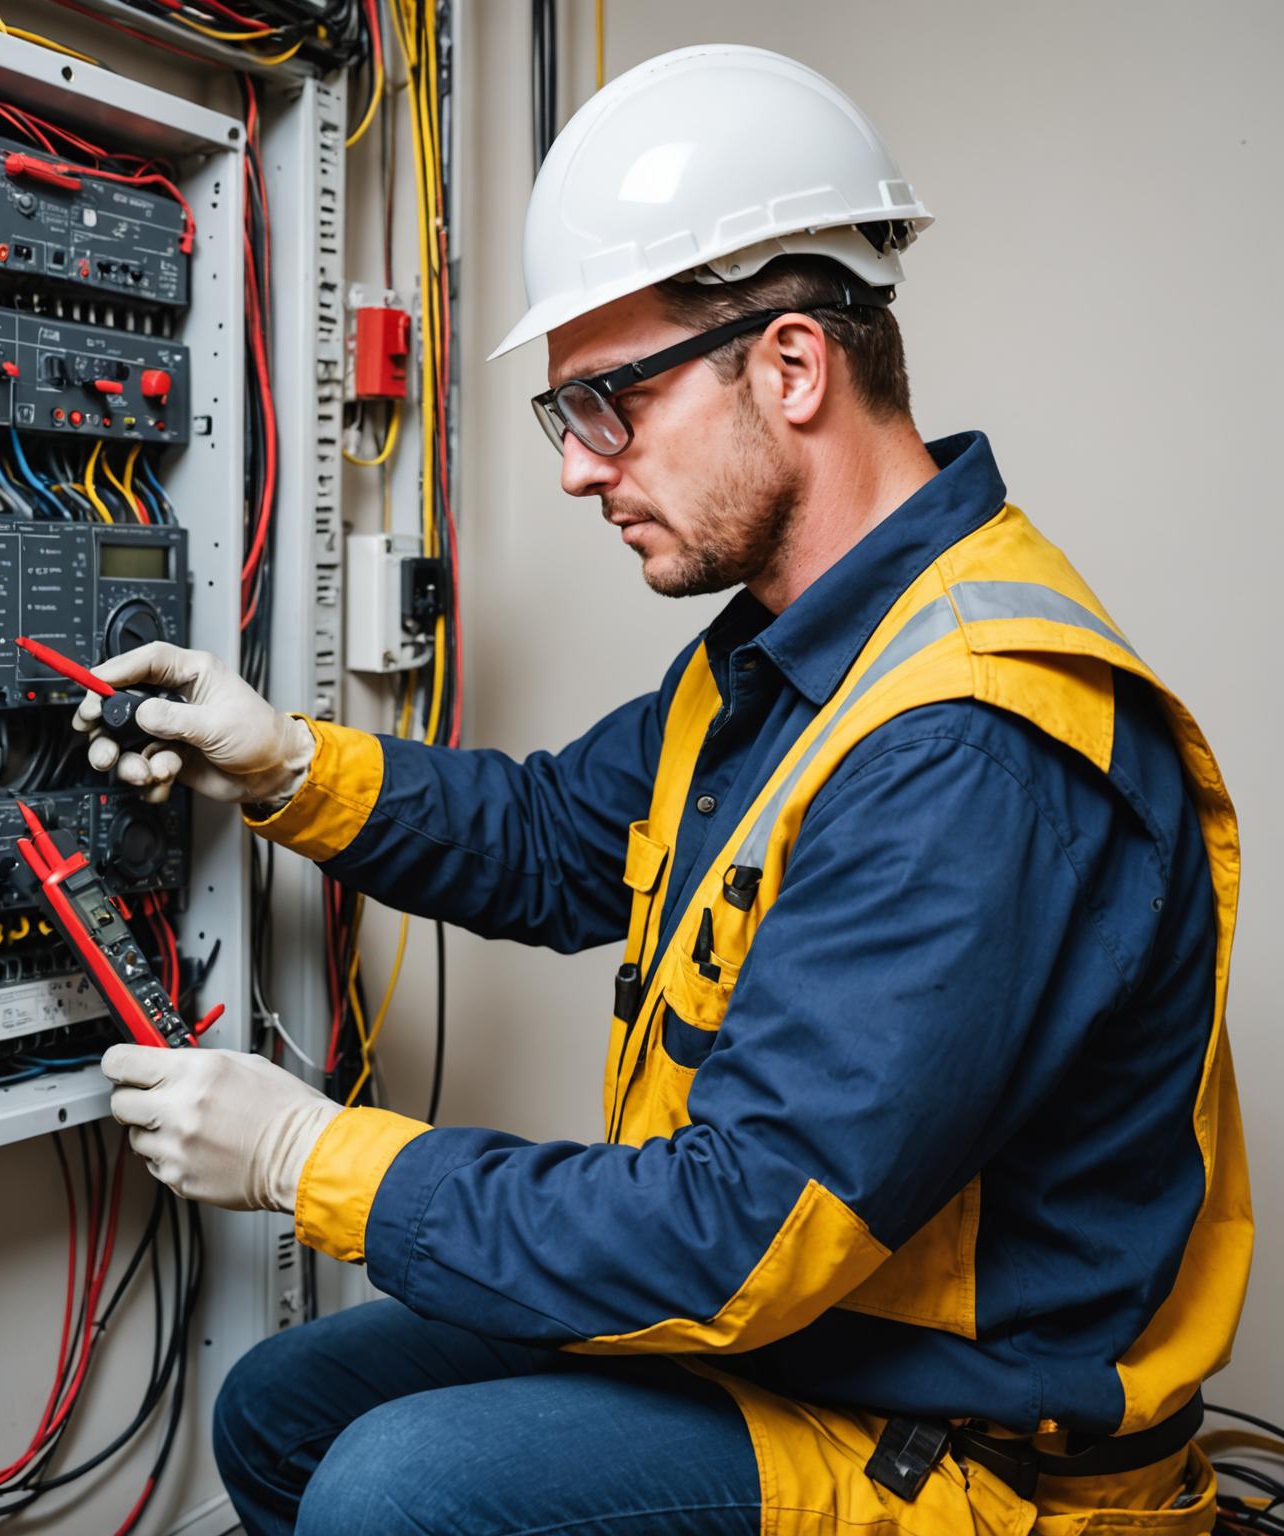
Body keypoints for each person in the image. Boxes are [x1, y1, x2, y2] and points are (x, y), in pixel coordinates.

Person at [83, 44, 1250, 1536]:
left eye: (607, 404)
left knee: (397, 1492)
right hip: (803, 1341)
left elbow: (738, 1231)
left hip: (964, 1441)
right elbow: (553, 840)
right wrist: (290, 763)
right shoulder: (785, 654)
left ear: (791, 366)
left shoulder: (965, 745)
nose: (581, 470)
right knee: (286, 1407)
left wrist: (308, 1156)